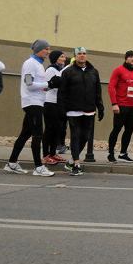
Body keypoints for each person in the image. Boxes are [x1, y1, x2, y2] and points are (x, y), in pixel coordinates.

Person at [4, 40, 54, 176]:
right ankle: (38, 167)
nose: (48, 52)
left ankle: (12, 163)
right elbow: (29, 83)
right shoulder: (30, 63)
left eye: (49, 49)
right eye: (46, 49)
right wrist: (48, 83)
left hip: (37, 102)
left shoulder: (38, 64)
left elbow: (38, 85)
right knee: (37, 134)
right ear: (38, 49)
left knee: (25, 134)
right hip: (32, 102)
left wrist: (50, 86)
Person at [57, 47, 104, 176]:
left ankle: (71, 161)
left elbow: (97, 91)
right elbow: (62, 92)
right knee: (76, 135)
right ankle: (76, 164)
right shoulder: (68, 72)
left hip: (89, 109)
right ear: (75, 56)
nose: (82, 56)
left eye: (84, 53)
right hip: (73, 110)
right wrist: (62, 110)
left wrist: (100, 107)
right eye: (79, 54)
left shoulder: (93, 72)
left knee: (85, 136)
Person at [107, 50, 133, 163]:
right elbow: (111, 87)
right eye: (130, 57)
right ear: (126, 58)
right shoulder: (118, 70)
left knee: (129, 130)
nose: (132, 59)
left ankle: (123, 154)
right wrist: (114, 104)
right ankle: (110, 153)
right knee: (116, 129)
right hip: (121, 106)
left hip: (132, 107)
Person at [42, 50, 67, 165]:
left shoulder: (60, 70)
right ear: (55, 58)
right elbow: (46, 86)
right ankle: (45, 155)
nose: (64, 59)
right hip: (49, 102)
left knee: (57, 129)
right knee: (49, 129)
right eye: (61, 57)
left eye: (64, 57)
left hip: (58, 103)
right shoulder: (51, 69)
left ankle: (53, 153)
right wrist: (55, 82)